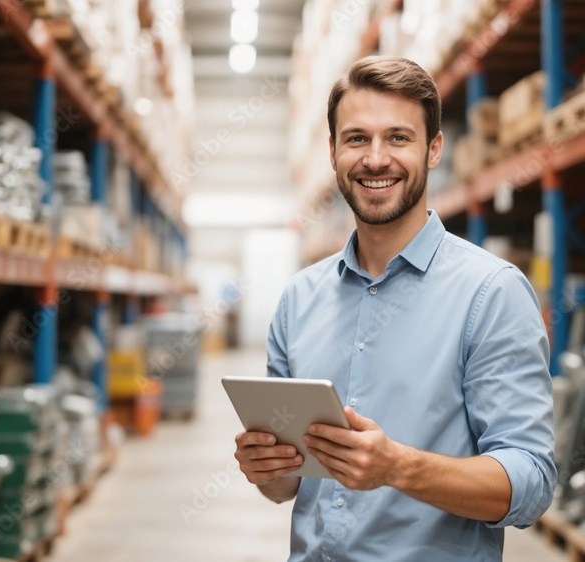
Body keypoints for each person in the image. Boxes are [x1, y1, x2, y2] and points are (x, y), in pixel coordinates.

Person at [233, 56, 556, 561]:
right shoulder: (299, 299)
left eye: (398, 138)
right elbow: (286, 488)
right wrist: (266, 469)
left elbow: (531, 482)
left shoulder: (491, 293)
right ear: (334, 151)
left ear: (433, 150)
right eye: (357, 138)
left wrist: (397, 468)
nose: (376, 159)